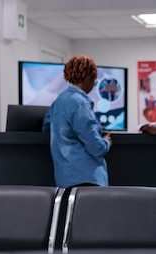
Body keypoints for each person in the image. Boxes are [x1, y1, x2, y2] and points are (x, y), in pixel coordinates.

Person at [42, 55, 112, 188]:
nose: (93, 83)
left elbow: (47, 127)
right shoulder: (80, 104)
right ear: (87, 77)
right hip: (88, 178)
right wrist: (106, 142)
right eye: (94, 79)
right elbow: (95, 147)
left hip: (65, 178)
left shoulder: (59, 101)